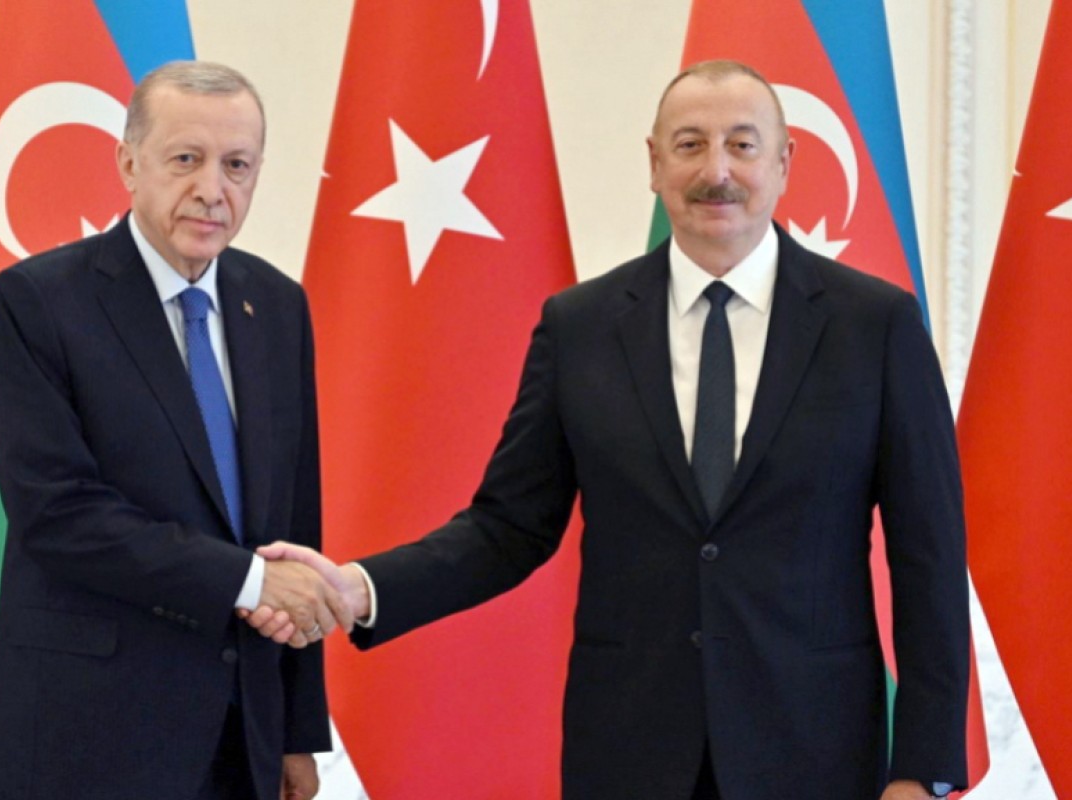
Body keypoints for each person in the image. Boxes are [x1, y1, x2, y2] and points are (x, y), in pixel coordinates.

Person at [248, 60, 970, 800]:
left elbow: (931, 560)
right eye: (689, 145)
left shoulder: (875, 327)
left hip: (816, 754)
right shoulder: (581, 327)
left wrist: (924, 771)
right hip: (630, 753)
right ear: (654, 164)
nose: (716, 171)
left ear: (785, 163)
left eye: (742, 145)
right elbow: (507, 529)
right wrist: (360, 588)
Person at [0, 61, 350, 800]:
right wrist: (246, 581)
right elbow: (59, 514)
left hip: (239, 738)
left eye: (236, 165)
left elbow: (294, 525)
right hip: (88, 736)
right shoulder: (38, 301)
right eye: (186, 159)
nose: (212, 189)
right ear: (128, 164)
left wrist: (295, 731)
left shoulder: (276, 304)